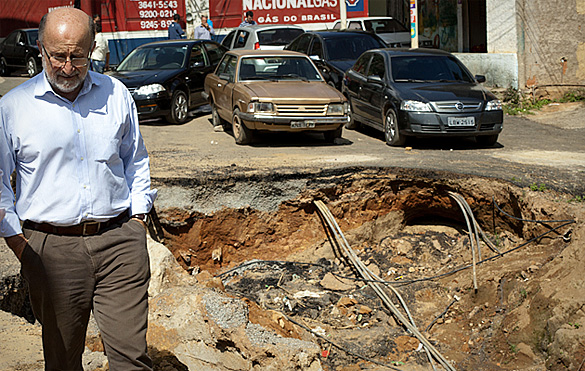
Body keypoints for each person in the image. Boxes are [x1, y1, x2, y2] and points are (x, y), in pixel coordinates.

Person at [0, 7, 156, 370]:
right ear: (41, 49)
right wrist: (20, 245)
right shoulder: (13, 108)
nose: (67, 67)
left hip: (120, 242)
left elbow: (135, 159)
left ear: (94, 49)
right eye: (58, 56)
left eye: (78, 56)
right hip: (51, 250)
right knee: (63, 358)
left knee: (131, 358)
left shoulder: (115, 93)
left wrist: (138, 221)